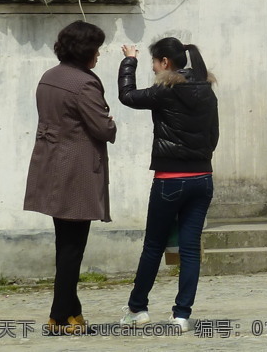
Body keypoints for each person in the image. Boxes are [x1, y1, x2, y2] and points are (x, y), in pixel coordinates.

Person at [118, 37, 219, 330]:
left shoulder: (165, 91)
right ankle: (181, 315)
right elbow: (214, 135)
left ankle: (138, 308)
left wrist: (129, 60)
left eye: (153, 62)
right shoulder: (207, 92)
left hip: (169, 180)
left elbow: (127, 96)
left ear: (165, 62)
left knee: (153, 246)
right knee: (189, 249)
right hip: (202, 178)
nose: (153, 68)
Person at [24, 20, 116, 335]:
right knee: (73, 247)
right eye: (97, 49)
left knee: (65, 245)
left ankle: (71, 313)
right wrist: (111, 123)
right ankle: (59, 317)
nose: (99, 55)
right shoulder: (84, 83)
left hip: (51, 165)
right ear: (86, 51)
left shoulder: (50, 77)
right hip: (76, 170)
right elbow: (103, 128)